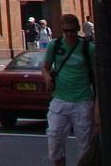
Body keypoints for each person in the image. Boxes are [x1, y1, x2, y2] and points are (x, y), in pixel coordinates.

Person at [42, 13, 95, 166]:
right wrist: (47, 78)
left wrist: (97, 103)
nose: (69, 34)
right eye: (66, 31)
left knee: (85, 146)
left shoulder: (87, 48)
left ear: (78, 30)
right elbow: (45, 68)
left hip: (83, 101)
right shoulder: (55, 45)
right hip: (59, 100)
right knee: (54, 140)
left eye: (72, 31)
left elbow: (96, 75)